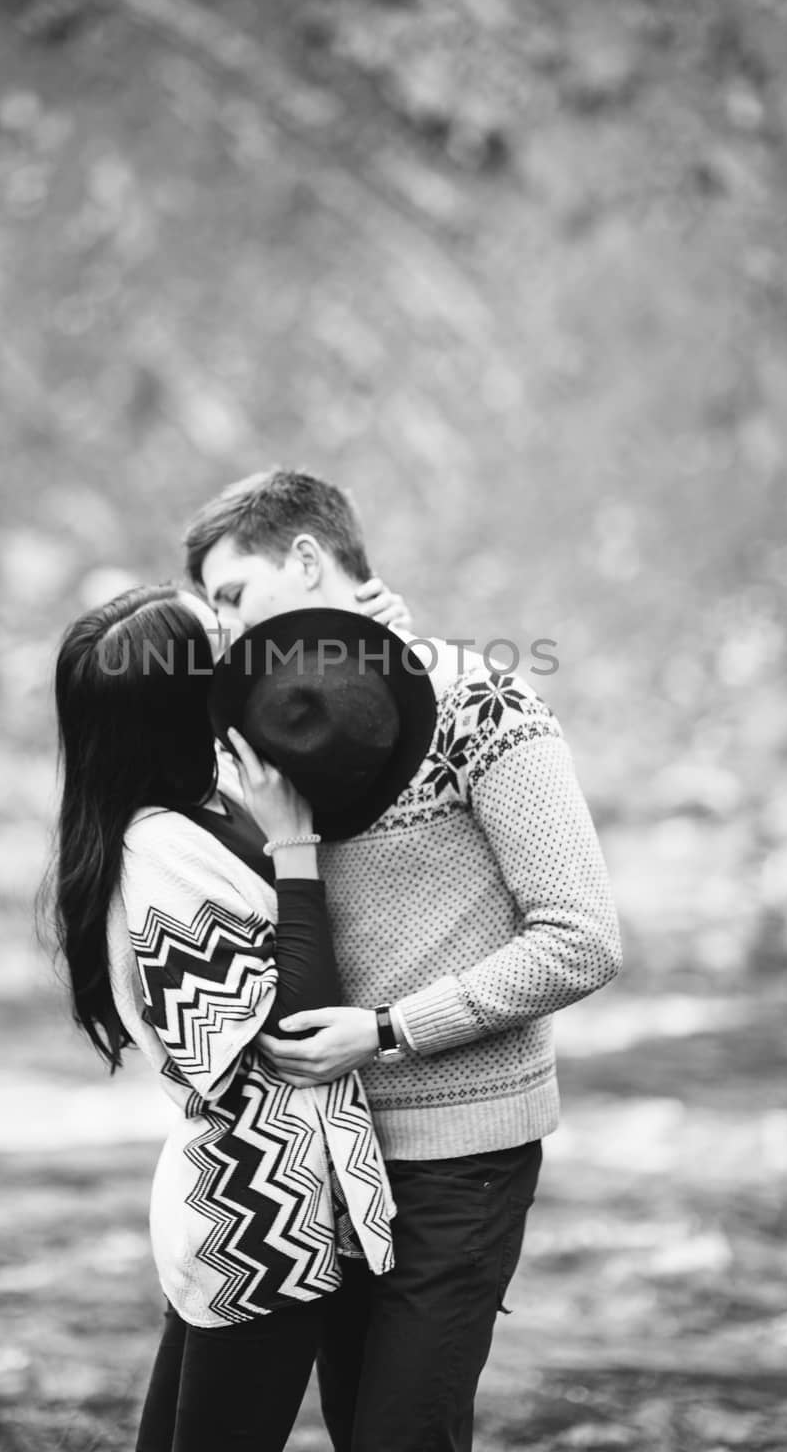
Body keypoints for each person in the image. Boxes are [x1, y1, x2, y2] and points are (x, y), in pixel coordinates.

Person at [184, 470, 623, 1452]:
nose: (221, 631)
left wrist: (385, 1030)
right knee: (362, 1431)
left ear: (305, 559)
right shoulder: (262, 740)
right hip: (331, 1155)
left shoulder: (482, 699)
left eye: (233, 597)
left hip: (464, 1154)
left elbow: (582, 936)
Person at [42, 582, 427, 1452]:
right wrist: (292, 847)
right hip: (254, 1215)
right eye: (219, 648)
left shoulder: (211, 798)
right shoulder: (161, 854)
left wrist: (374, 642)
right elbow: (300, 1030)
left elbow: (349, 747)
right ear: (183, 699)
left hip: (262, 1201)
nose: (242, 655)